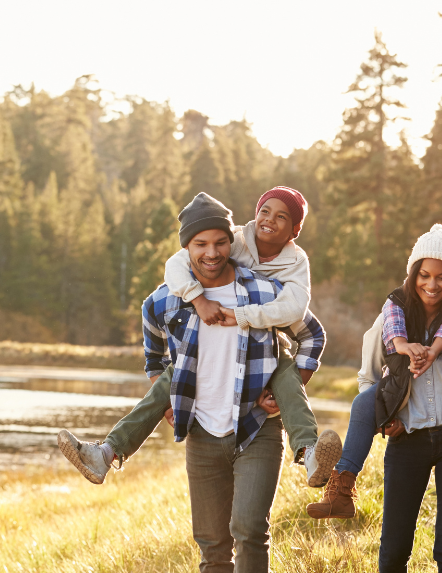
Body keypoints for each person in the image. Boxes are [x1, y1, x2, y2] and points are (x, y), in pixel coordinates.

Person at [65, 196, 326, 571]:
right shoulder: (164, 300)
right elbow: (155, 358)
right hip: (203, 433)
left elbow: (312, 333)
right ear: (186, 246)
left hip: (256, 428)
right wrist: (168, 400)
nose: (212, 253)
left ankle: (310, 451)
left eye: (220, 242)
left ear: (230, 242)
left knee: (249, 529)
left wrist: (288, 389)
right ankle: (106, 453)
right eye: (200, 244)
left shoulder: (265, 291)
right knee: (212, 545)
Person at [310, 224, 442, 572]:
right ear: (414, 273)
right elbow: (368, 379)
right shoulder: (390, 320)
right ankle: (341, 486)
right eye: (425, 275)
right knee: (393, 550)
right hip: (407, 440)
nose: (432, 284)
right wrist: (385, 419)